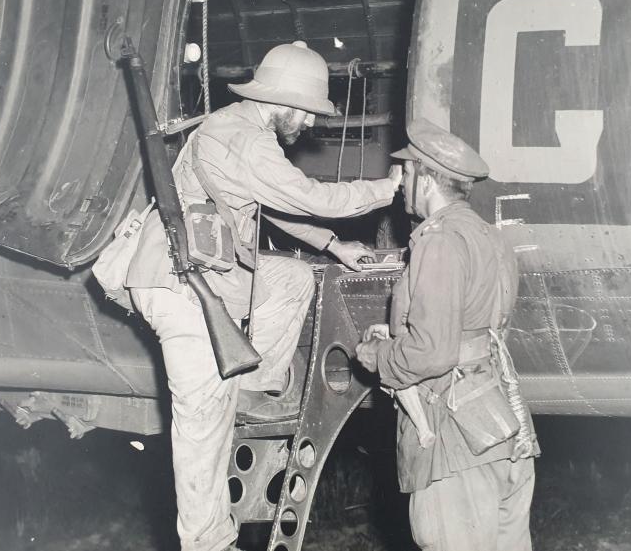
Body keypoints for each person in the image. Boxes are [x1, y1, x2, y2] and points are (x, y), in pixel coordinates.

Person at [125, 40, 402, 551]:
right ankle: (208, 542)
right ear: (288, 104)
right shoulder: (247, 141)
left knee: (292, 280)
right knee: (203, 421)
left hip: (196, 276)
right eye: (310, 113)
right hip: (182, 285)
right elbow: (310, 196)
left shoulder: (237, 127)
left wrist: (333, 244)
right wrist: (386, 189)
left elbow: (268, 204)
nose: (312, 125)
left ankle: (256, 385)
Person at [355, 118, 539, 551]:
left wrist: (377, 355)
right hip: (501, 426)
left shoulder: (438, 241)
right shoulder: (489, 238)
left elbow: (433, 354)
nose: (399, 183)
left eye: (405, 172)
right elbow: (474, 330)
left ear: (425, 177)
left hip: (456, 441)